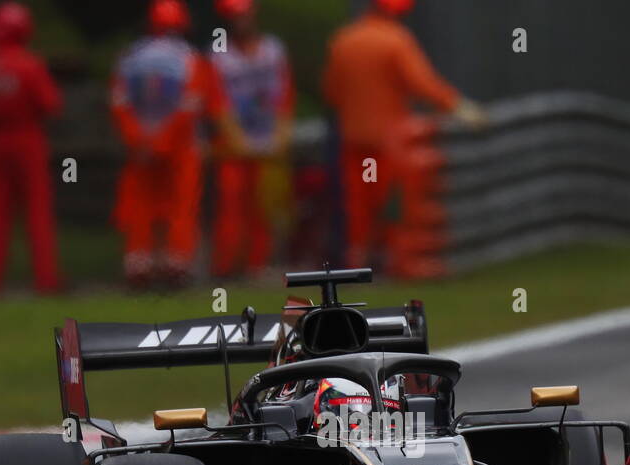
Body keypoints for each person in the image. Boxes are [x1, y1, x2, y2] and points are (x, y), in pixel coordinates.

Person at [321, 0, 485, 268]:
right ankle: (395, 263)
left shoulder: (343, 40)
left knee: (357, 210)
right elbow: (422, 83)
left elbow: (331, 91)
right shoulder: (396, 41)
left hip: (353, 142)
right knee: (394, 206)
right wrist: (456, 105)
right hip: (389, 143)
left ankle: (357, 264)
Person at [110, 0, 222, 286]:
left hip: (141, 148)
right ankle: (176, 264)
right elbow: (193, 105)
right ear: (182, 25)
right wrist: (165, 140)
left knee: (140, 205)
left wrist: (139, 139)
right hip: (181, 148)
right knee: (181, 205)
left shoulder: (129, 57)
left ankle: (139, 264)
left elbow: (119, 104)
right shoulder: (191, 59)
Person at [0, 1, 62, 293]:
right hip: (28, 139)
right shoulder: (30, 66)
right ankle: (46, 280)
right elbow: (51, 105)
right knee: (37, 212)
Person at [208, 0, 295, 279]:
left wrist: (281, 135)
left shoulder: (273, 50)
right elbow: (216, 102)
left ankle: (258, 267)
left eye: (244, 15)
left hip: (268, 145)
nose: (240, 21)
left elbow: (285, 95)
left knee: (265, 208)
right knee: (231, 208)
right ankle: (227, 268)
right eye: (235, 16)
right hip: (233, 149)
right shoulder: (219, 56)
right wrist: (236, 139)